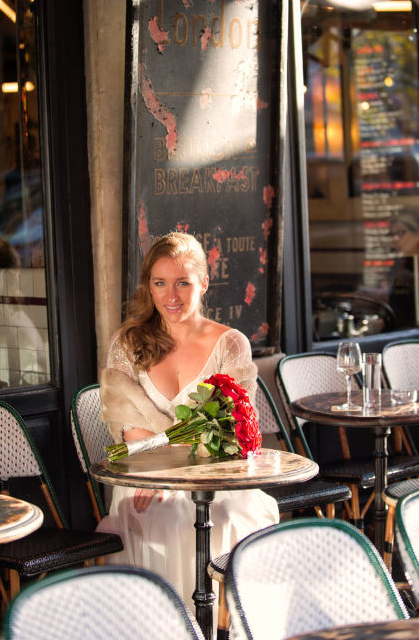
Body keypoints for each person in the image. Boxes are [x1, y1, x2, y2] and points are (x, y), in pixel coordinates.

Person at [96, 231, 279, 610]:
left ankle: (217, 627)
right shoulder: (127, 344)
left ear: (204, 282)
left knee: (217, 513)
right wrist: (163, 470)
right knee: (154, 511)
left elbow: (228, 438)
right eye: (159, 283)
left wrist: (180, 457)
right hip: (145, 474)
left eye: (183, 283)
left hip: (214, 477)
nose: (171, 296)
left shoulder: (231, 343)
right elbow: (130, 428)